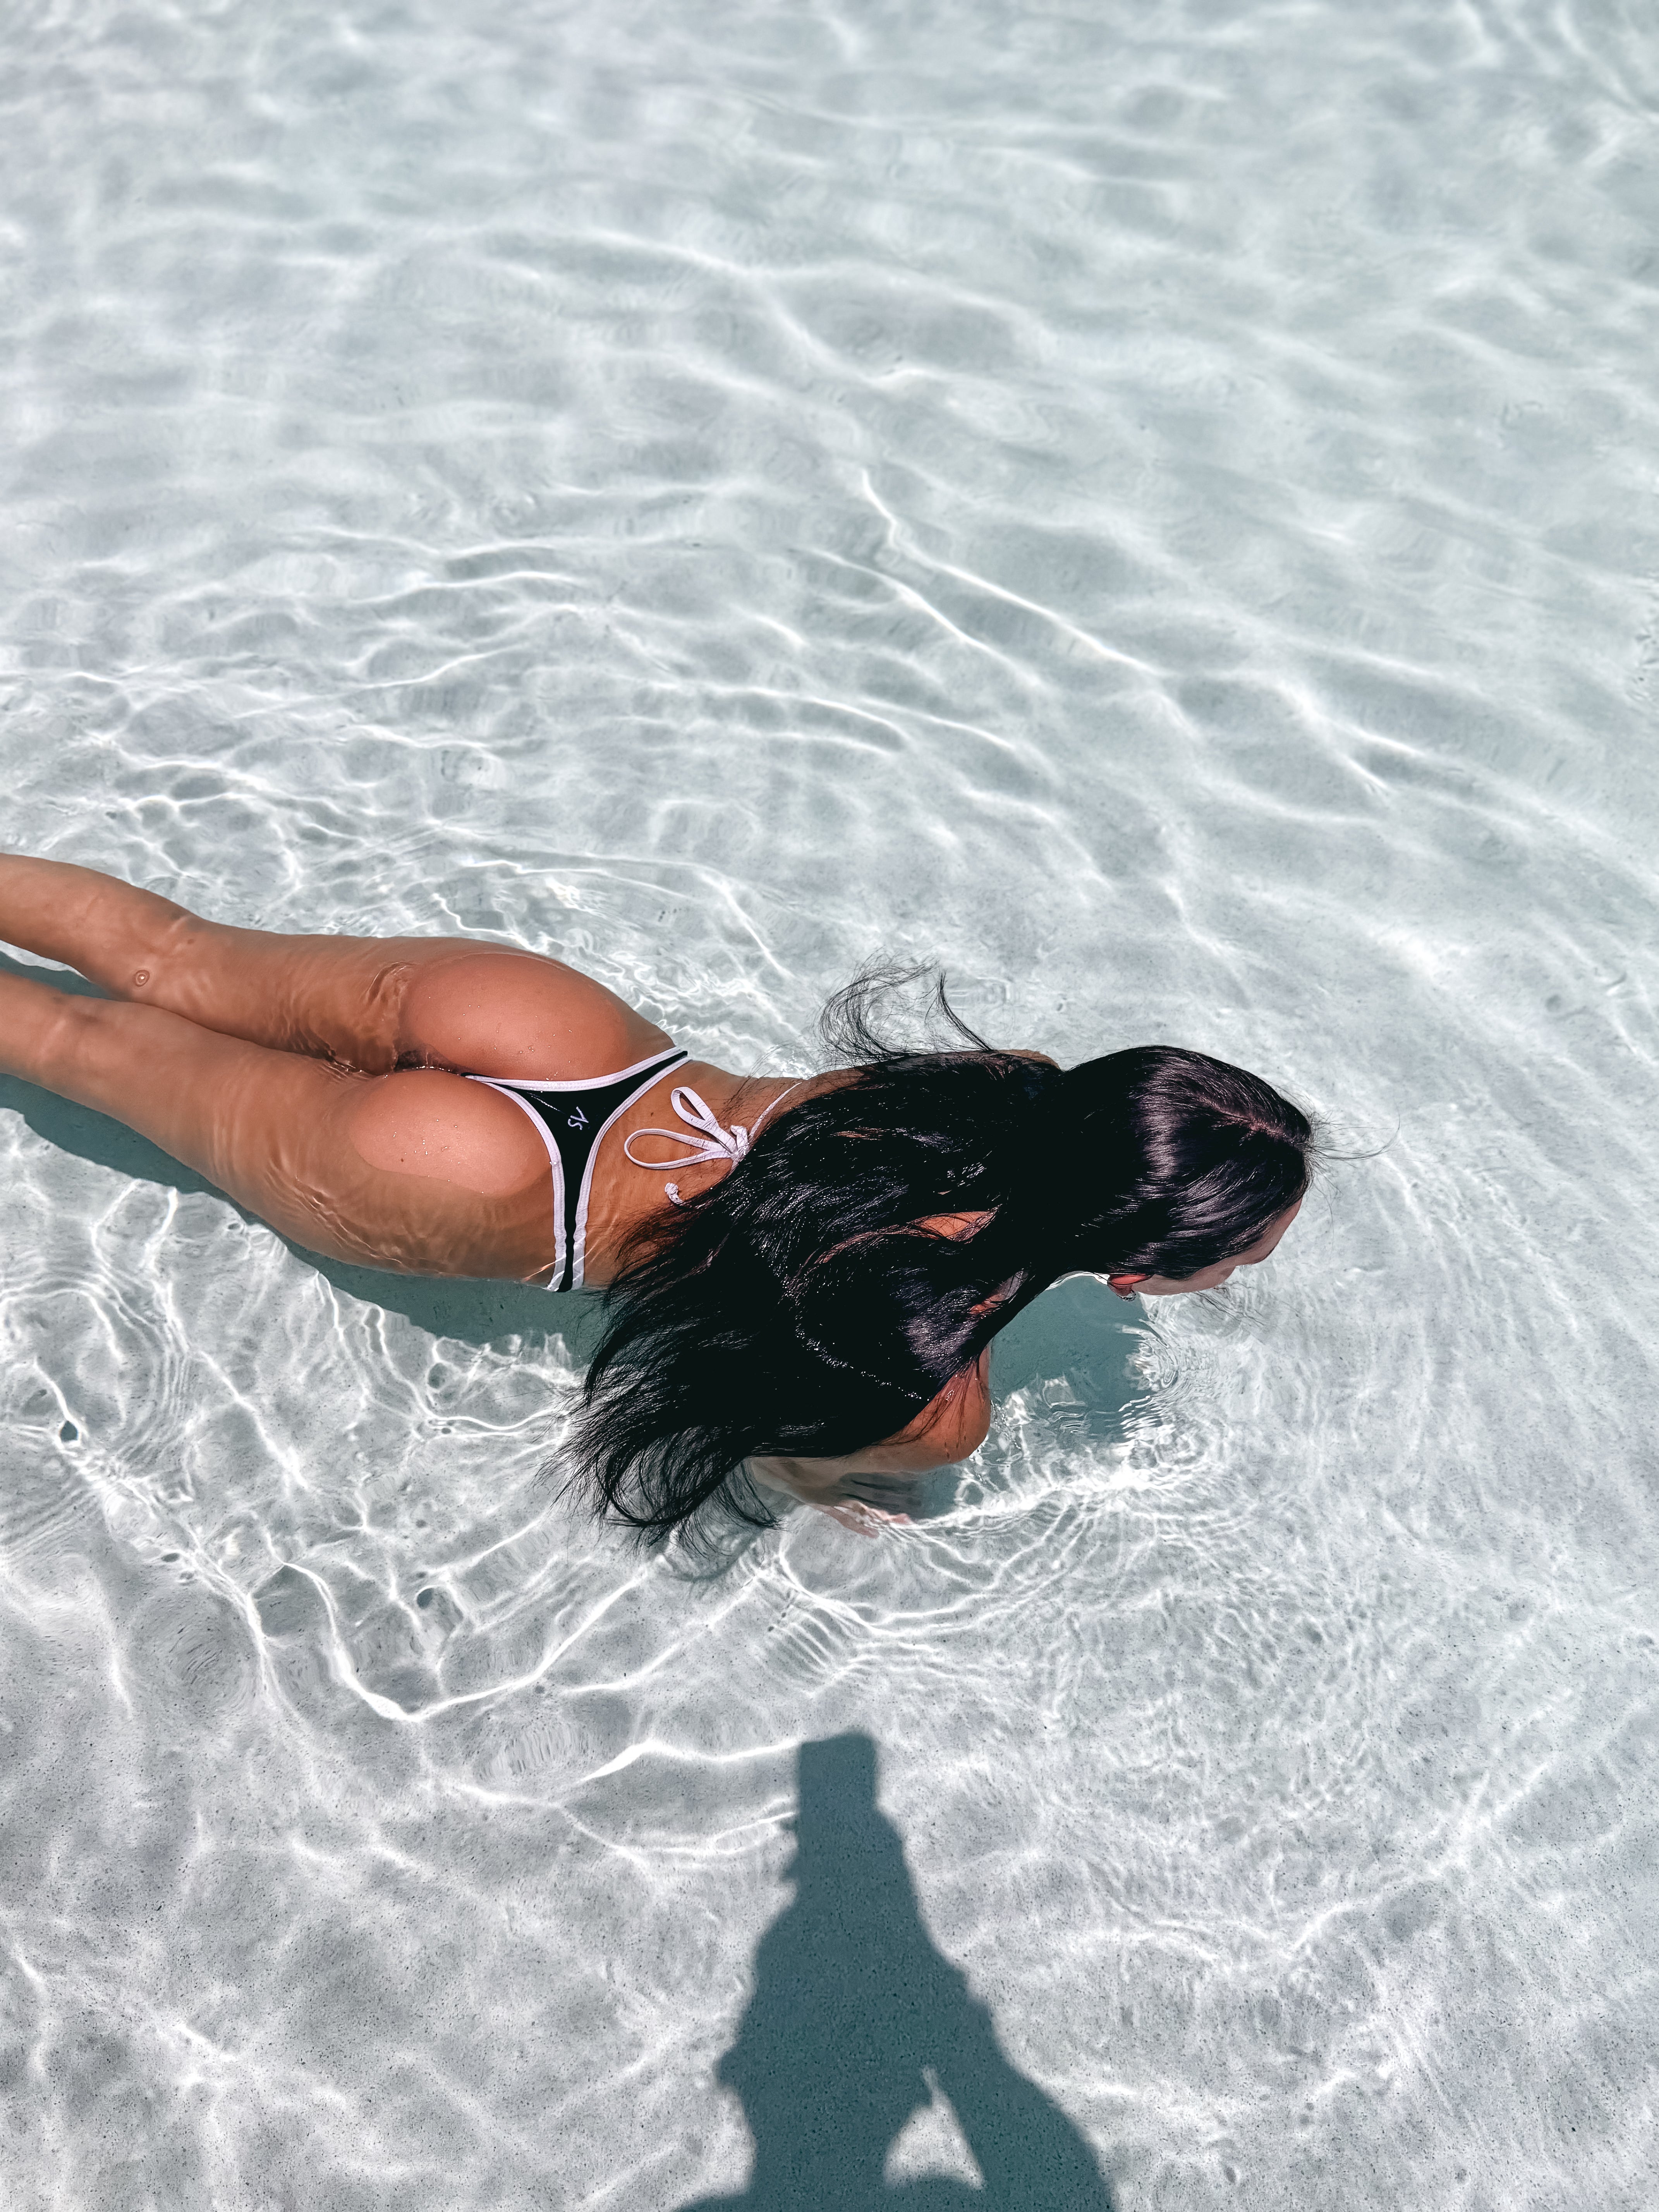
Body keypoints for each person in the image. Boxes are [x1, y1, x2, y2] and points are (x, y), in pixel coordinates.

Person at [0, 856, 1312, 1541]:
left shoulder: (1004, 1084)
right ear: (1132, 1274)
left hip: (571, 1039)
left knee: (168, 953)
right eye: (1238, 1257)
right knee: (74, 1052)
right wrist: (826, 1489)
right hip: (509, 1200)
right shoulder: (933, 1399)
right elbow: (764, 1432)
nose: (1243, 1269)